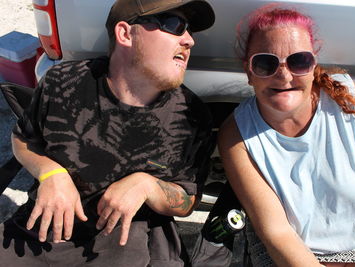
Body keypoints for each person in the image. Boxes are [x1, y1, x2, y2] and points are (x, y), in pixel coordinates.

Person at [0, 0, 215, 266]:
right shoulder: (64, 82)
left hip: (130, 242)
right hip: (44, 234)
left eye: (190, 30)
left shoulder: (190, 116)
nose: (189, 41)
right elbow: (23, 138)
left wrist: (146, 185)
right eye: (174, 25)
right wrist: (50, 173)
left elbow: (187, 201)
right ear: (125, 33)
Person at [218, 4, 355, 267]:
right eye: (265, 63)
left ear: (313, 64)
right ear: (249, 72)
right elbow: (277, 232)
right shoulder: (235, 136)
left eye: (298, 61)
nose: (283, 75)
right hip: (293, 254)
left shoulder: (348, 96)